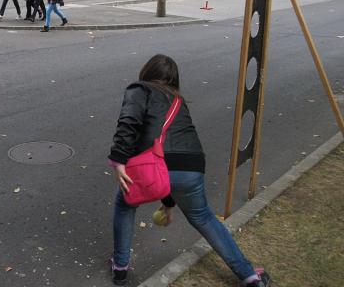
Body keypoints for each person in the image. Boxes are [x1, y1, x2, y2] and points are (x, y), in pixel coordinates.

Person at [108, 54, 271, 287]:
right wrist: (169, 202)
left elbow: (129, 122)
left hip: (156, 166)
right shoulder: (178, 101)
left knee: (126, 204)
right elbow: (172, 157)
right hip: (192, 166)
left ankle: (120, 268)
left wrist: (118, 160)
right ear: (174, 79)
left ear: (147, 72)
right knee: (203, 217)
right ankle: (249, 275)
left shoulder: (139, 89)